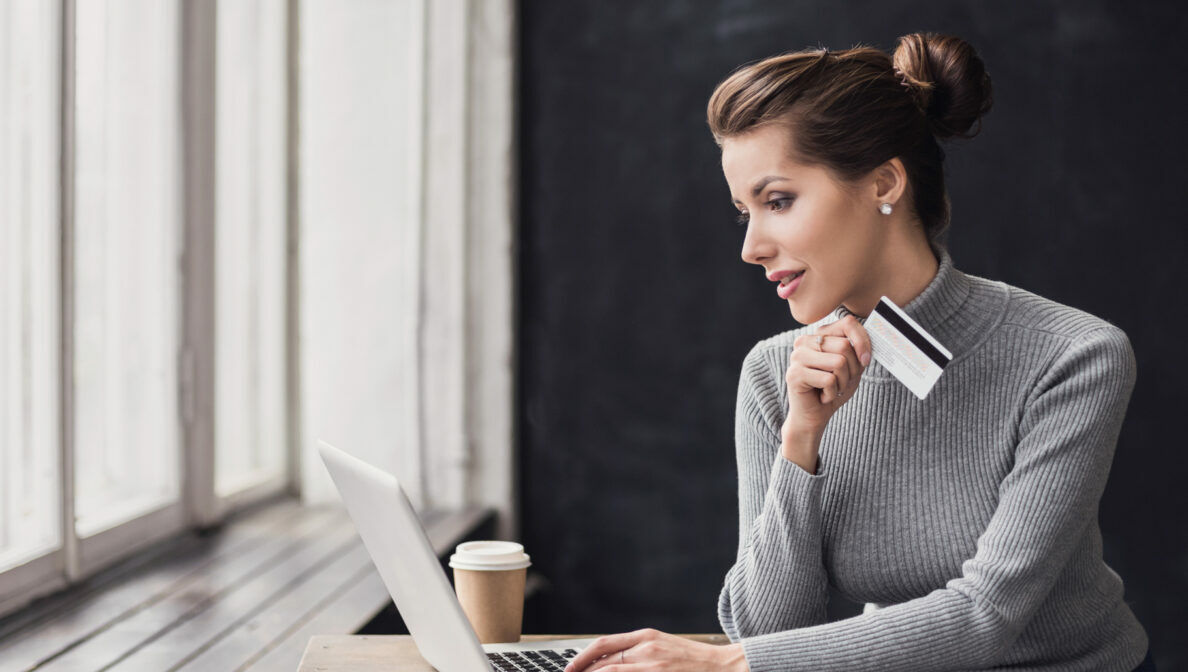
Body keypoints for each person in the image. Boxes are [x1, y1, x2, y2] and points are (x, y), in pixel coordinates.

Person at [565, 32, 1155, 672]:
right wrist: (802, 439)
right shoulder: (775, 375)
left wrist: (722, 665)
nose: (752, 247)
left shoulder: (1073, 357)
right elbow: (769, 629)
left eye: (779, 201)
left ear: (884, 182)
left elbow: (984, 618)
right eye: (744, 213)